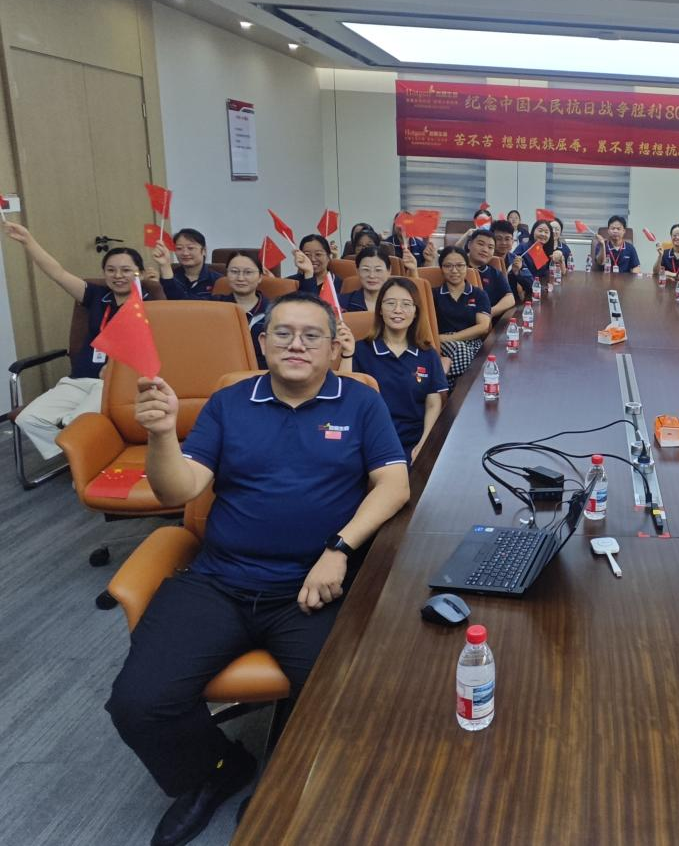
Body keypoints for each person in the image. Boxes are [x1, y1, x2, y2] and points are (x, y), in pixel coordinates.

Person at [105, 292, 409, 846]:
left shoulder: (360, 403)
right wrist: (162, 434)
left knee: (346, 699)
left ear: (333, 347)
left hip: (314, 586)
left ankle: (288, 781)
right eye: (283, 333)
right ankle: (216, 771)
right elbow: (178, 489)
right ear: (263, 342)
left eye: (312, 335)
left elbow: (394, 484)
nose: (297, 344)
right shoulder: (229, 403)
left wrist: (339, 549)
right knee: (138, 704)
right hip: (220, 580)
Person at [2, 222, 152, 459]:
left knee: (75, 421)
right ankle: (83, 456)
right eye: (111, 270)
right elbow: (57, 273)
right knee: (29, 418)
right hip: (79, 380)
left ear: (140, 273)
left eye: (126, 270)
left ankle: (87, 455)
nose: (118, 276)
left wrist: (117, 369)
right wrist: (27, 240)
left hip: (115, 383)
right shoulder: (96, 295)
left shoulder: (152, 304)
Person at [338, 277, 448, 462]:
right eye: (390, 303)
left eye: (406, 304)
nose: (398, 310)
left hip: (413, 441)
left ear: (416, 311)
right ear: (380, 309)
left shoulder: (427, 353)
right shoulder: (360, 350)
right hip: (370, 440)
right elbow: (345, 394)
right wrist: (347, 354)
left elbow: (433, 403)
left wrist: (425, 442)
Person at [154, 245, 271, 368]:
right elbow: (181, 302)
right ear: (227, 274)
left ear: (260, 277)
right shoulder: (216, 306)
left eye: (248, 272)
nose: (240, 278)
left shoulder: (274, 311)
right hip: (223, 369)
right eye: (234, 272)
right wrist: (165, 266)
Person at [431, 246, 492, 378]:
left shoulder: (478, 294)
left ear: (467, 266)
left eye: (459, 265)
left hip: (472, 342)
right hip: (443, 344)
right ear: (441, 268)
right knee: (462, 353)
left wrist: (453, 337)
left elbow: (483, 327)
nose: (454, 270)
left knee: (482, 359)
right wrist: (446, 339)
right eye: (448, 266)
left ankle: (448, 383)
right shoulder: (433, 294)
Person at [464, 227, 515, 320]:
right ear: (469, 245)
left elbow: (510, 298)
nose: (485, 250)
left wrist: (489, 313)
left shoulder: (494, 272)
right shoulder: (457, 270)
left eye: (490, 247)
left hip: (489, 323)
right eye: (480, 244)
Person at [166, 229, 221, 299]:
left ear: (204, 251)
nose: (185, 253)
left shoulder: (218, 281)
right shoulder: (169, 278)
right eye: (179, 248)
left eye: (190, 248)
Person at [341, 245, 391, 314]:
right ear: (357, 271)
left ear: (389, 271)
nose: (372, 276)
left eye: (378, 270)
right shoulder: (341, 303)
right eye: (366, 270)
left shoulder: (399, 304)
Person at [289, 234, 342, 298]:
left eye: (318, 254)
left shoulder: (339, 284)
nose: (313, 259)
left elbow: (313, 303)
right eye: (307, 254)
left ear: (329, 257)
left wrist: (309, 273)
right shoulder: (290, 282)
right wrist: (308, 273)